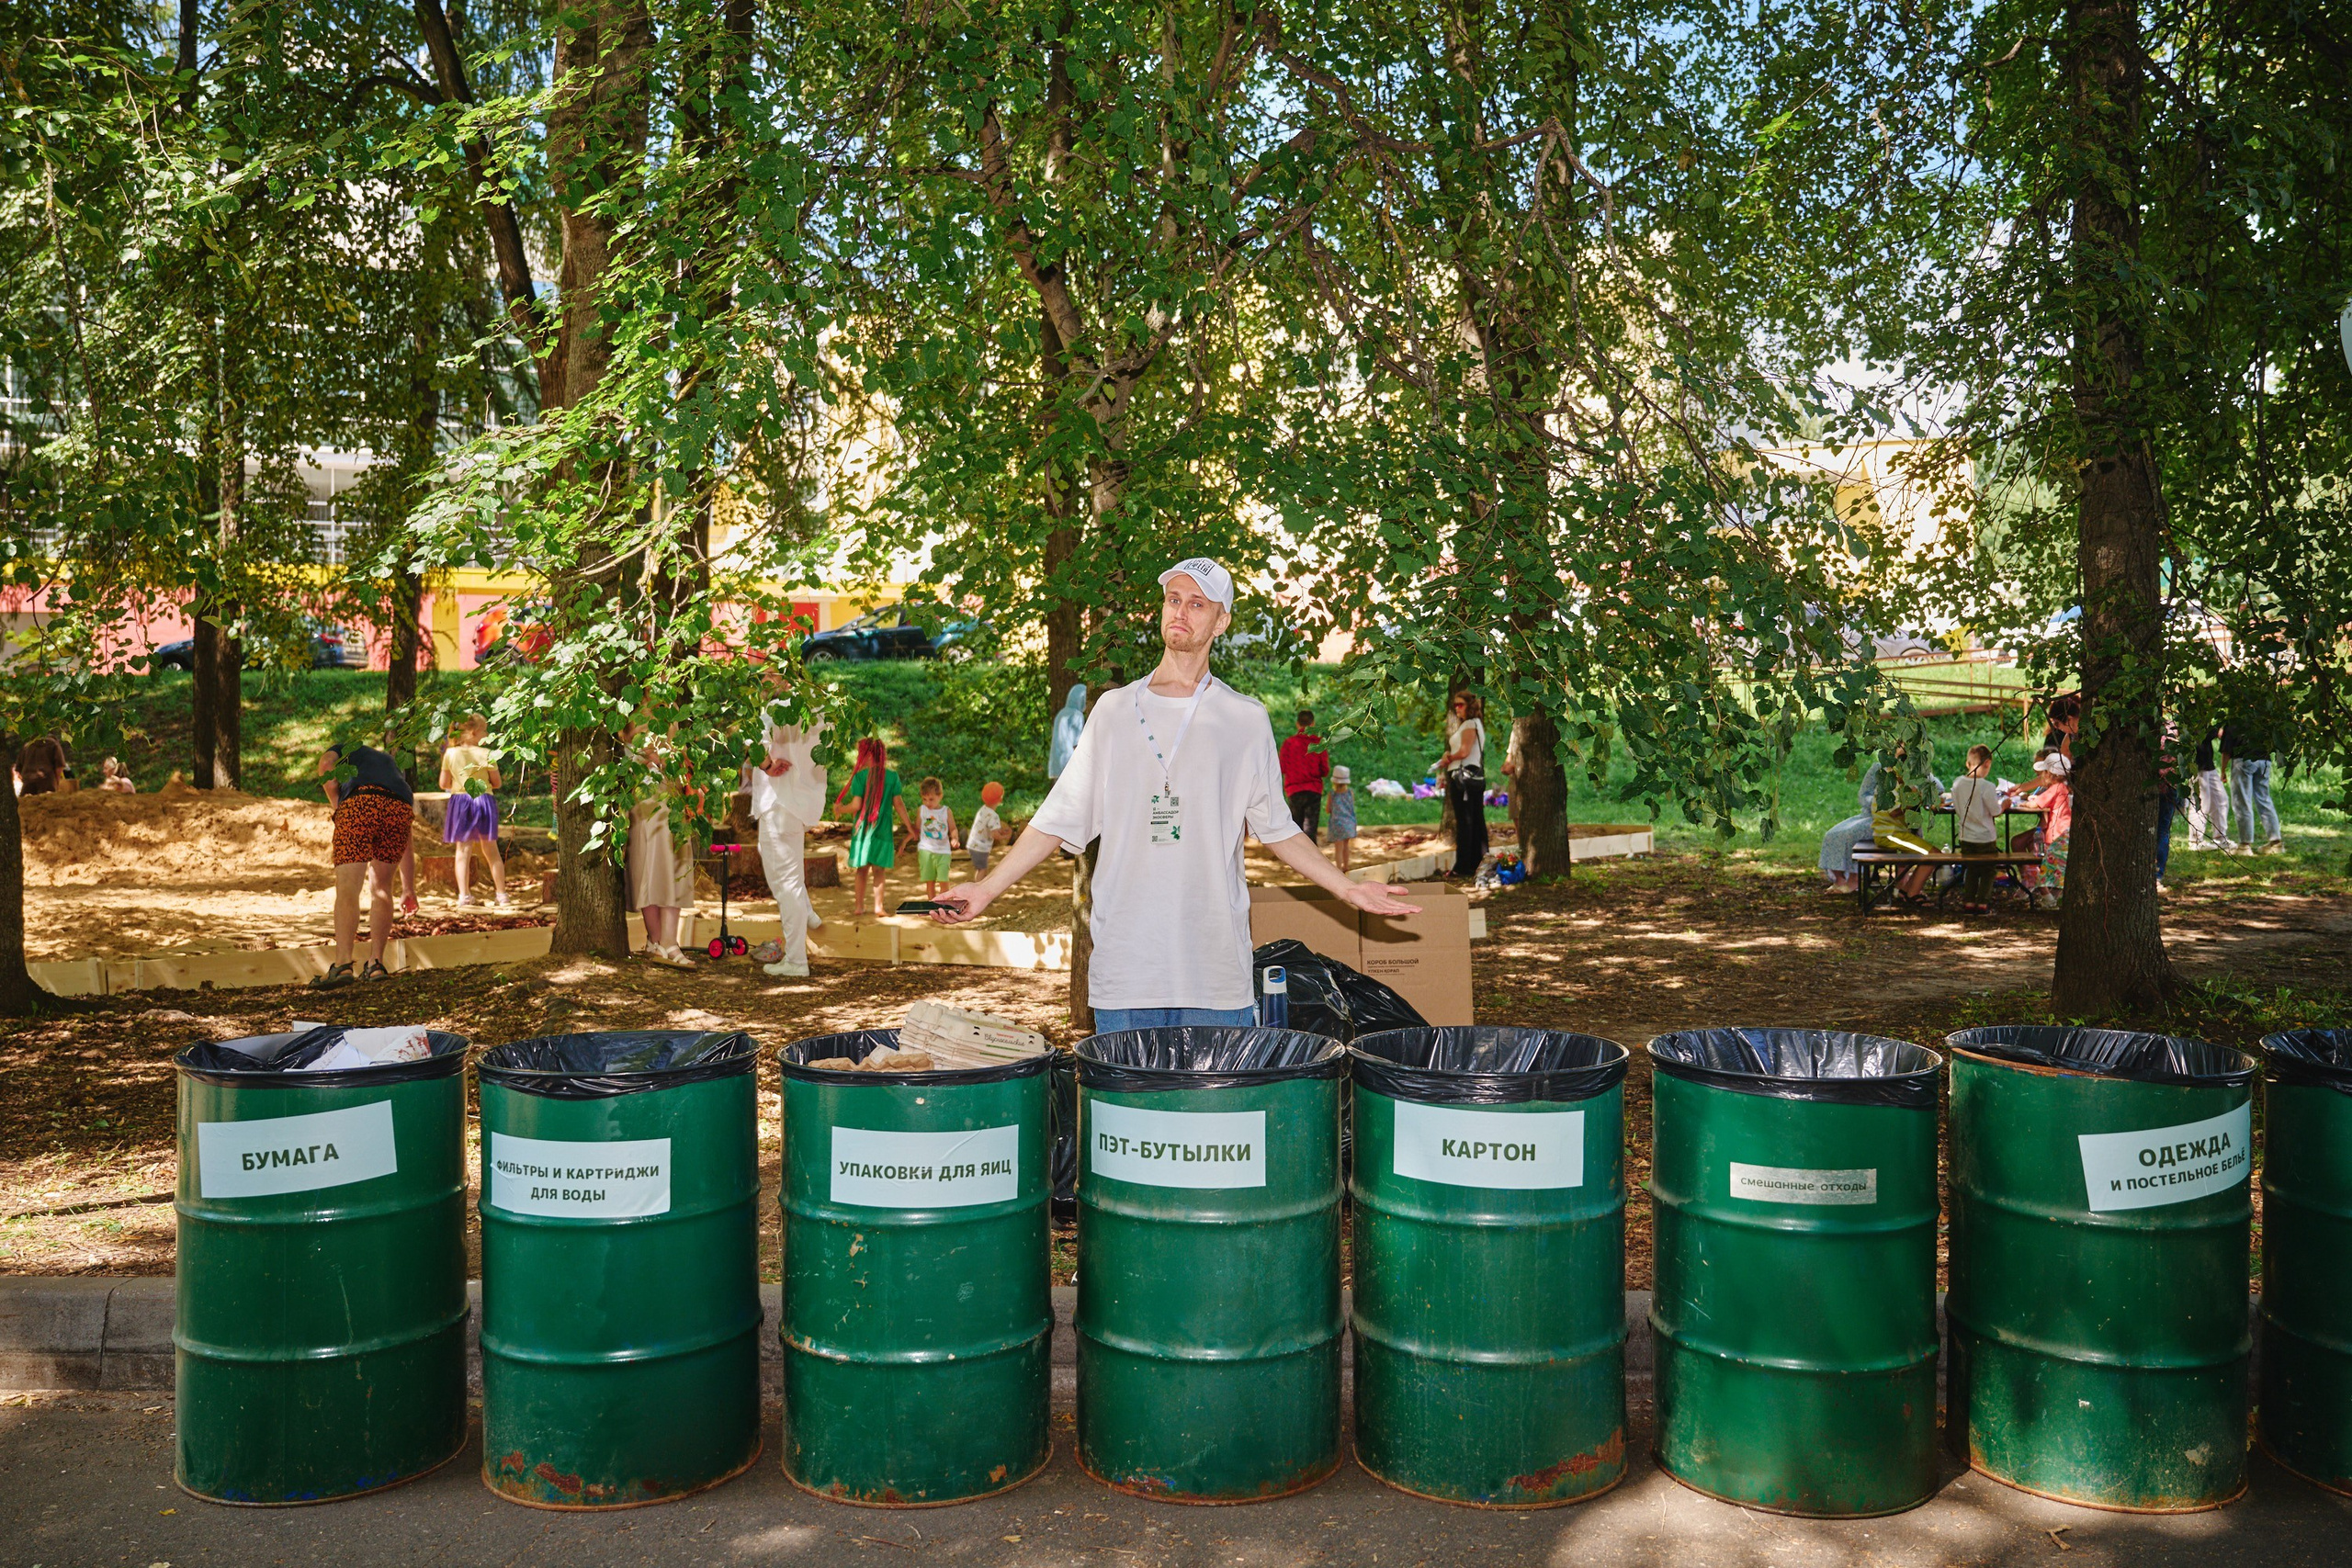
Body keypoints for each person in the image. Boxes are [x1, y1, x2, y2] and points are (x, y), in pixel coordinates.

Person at [930, 556, 1420, 1029]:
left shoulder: (1244, 718)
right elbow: (1057, 818)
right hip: (1127, 973)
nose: (1180, 611)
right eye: (1172, 599)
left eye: (1197, 603)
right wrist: (986, 888)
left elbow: (1279, 829)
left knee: (1215, 1116)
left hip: (1215, 975)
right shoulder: (1114, 711)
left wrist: (1347, 887)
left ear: (1221, 621)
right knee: (1128, 1115)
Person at [311, 731, 419, 988]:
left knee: (348, 887)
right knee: (382, 888)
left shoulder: (342, 748)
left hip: (360, 805)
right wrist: (409, 888)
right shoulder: (390, 768)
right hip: (400, 808)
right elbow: (408, 838)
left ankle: (343, 965)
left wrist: (338, 804)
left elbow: (326, 766)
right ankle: (375, 964)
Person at [748, 698, 827, 978]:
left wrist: (767, 765)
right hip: (799, 801)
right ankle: (807, 913)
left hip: (777, 800)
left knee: (786, 883)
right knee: (781, 868)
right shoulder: (816, 707)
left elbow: (753, 744)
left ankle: (796, 960)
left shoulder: (773, 708)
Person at [625, 725, 697, 968]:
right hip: (646, 799)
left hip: (671, 797)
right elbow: (634, 755)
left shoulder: (672, 711)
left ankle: (665, 941)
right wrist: (651, 757)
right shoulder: (633, 711)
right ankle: (658, 940)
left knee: (672, 864)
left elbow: (681, 758)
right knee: (647, 865)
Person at [834, 737, 917, 917]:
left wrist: (841, 808)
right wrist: (909, 826)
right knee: (879, 871)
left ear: (868, 755)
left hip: (863, 831)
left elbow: (856, 806)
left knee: (861, 870)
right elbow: (899, 805)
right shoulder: (892, 777)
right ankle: (878, 907)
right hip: (883, 831)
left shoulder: (860, 777)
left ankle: (859, 907)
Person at [437, 714, 508, 908]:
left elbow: (443, 783)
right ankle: (501, 895)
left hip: (460, 801)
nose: (486, 734)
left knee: (462, 850)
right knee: (491, 851)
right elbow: (497, 783)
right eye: (485, 730)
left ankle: (464, 896)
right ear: (475, 732)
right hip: (484, 800)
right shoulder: (487, 753)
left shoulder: (450, 754)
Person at [2010, 750, 2072, 908]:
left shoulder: (2056, 788)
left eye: (2044, 772)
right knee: (2052, 868)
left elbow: (2036, 804)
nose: (2041, 775)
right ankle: (2051, 897)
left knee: (2040, 862)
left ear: (2051, 774)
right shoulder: (2062, 787)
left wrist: (2025, 803)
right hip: (2061, 833)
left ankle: (2047, 897)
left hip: (2056, 835)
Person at [2220, 706, 2282, 855]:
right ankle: (2276, 843)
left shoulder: (2234, 721)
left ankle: (2245, 845)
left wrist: (2223, 770)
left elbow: (2226, 750)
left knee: (2242, 802)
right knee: (2264, 799)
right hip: (2265, 761)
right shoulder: (2263, 718)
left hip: (2244, 761)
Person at [1438, 694, 1488, 877]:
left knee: (1466, 822)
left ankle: (1463, 866)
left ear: (1470, 705)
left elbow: (1465, 751)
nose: (1457, 708)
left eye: (1460, 705)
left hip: (1463, 777)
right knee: (1475, 821)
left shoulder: (1469, 724)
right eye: (1455, 705)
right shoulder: (1475, 724)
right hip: (1471, 776)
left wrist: (1447, 758)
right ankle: (1479, 862)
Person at [1817, 757, 1884, 894]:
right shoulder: (1879, 767)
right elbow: (1863, 794)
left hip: (1886, 821)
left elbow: (1937, 786)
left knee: (1851, 835)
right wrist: (1876, 801)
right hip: (1867, 815)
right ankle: (1839, 879)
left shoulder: (1913, 771)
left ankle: (1854, 880)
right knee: (1832, 834)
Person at [1950, 745, 2003, 913]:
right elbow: (1995, 811)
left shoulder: (1957, 783)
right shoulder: (1986, 786)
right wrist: (2005, 804)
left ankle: (1969, 900)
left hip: (1965, 836)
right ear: (1987, 763)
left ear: (1968, 763)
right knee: (1988, 870)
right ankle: (1982, 902)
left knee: (1971, 869)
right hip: (1985, 837)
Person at [1280, 709, 1330, 841]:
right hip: (1313, 790)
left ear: (1297, 724)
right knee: (1310, 829)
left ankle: (1296, 859)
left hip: (1294, 791)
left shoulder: (1289, 743)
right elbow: (1325, 770)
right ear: (1313, 724)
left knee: (1296, 829)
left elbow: (1282, 767)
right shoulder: (1319, 743)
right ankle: (1312, 858)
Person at [915, 777, 957, 899]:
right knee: (930, 880)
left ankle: (944, 903)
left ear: (940, 796)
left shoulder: (946, 811)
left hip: (943, 851)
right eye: (924, 799)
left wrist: (954, 838)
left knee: (943, 879)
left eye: (931, 799)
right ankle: (932, 904)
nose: (928, 803)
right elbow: (917, 828)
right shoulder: (921, 810)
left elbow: (953, 828)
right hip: (926, 850)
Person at [2188, 728, 2229, 850]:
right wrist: (2217, 732)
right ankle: (2195, 842)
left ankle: (2220, 838)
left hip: (2209, 766)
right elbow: (2198, 733)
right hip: (2198, 766)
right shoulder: (2193, 716)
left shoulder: (2205, 716)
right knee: (2200, 803)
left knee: (2221, 800)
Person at [967, 782, 1007, 877]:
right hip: (981, 847)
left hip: (973, 844)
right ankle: (978, 888)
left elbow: (987, 828)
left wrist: (1000, 831)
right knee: (982, 870)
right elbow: (994, 834)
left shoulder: (983, 809)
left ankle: (979, 885)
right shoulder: (994, 816)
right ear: (1000, 799)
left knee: (981, 868)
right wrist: (1005, 837)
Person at [1048, 685, 1088, 778]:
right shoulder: (1077, 715)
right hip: (1069, 763)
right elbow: (1076, 744)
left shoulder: (1061, 714)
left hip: (1056, 762)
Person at [1328, 764, 1358, 873]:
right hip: (1348, 823)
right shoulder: (1350, 793)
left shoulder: (1332, 794)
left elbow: (1328, 809)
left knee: (1338, 848)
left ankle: (1339, 868)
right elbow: (1351, 807)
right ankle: (1346, 866)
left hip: (1337, 824)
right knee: (1346, 846)